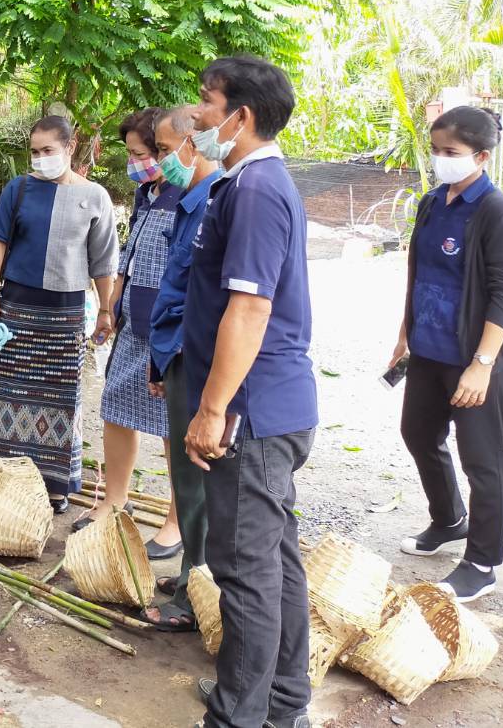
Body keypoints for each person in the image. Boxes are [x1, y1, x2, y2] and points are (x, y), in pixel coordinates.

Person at [182, 56, 316, 728]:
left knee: (244, 573)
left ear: (241, 115)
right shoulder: (241, 185)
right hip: (268, 411)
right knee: (274, 561)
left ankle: (238, 717)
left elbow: (249, 310)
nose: (197, 116)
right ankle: (283, 701)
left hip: (252, 416)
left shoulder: (258, 190)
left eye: (206, 101)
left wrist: (212, 410)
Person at [392, 106, 503, 603]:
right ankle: (449, 519)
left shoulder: (497, 212)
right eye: (436, 151)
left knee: (483, 462)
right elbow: (420, 271)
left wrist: (482, 365)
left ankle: (483, 563)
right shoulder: (432, 203)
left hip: (478, 357)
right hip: (429, 349)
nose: (440, 160)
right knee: (418, 432)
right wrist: (404, 333)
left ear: (482, 156)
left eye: (451, 153)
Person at [0, 115, 119, 513]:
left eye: (48, 151)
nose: (40, 159)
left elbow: (103, 263)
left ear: (70, 148)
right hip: (18, 310)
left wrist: (106, 311)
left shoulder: (96, 197)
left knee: (61, 400)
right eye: (35, 152)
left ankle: (54, 485)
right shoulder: (18, 189)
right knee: (5, 394)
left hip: (66, 316)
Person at [82, 108, 183, 550]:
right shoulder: (147, 192)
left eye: (143, 152)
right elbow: (129, 255)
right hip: (132, 322)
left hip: (169, 326)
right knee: (115, 406)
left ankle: (178, 522)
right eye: (133, 154)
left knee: (170, 424)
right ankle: (114, 501)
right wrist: (110, 308)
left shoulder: (191, 194)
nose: (136, 161)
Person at [143, 106, 221, 633]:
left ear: (194, 145)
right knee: (182, 475)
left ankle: (201, 594)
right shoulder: (190, 203)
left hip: (197, 360)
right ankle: (193, 571)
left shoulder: (217, 202)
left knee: (198, 484)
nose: (162, 162)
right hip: (176, 354)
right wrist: (158, 357)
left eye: (168, 151)